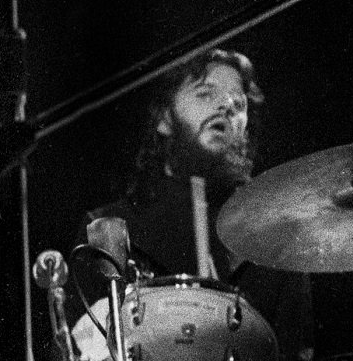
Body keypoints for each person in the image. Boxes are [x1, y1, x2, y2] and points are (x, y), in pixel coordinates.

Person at [75, 48, 314, 361]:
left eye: (238, 102)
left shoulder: (275, 241)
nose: (226, 106)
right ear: (164, 118)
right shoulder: (107, 228)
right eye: (205, 93)